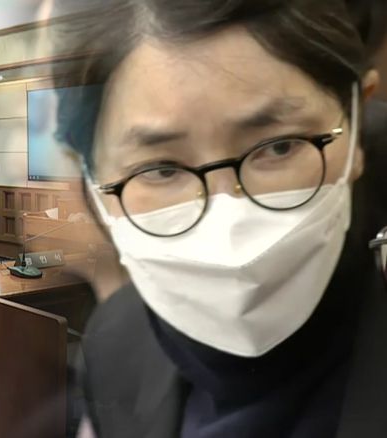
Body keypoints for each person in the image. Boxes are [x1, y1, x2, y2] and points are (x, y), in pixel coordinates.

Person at [49, 0, 387, 436]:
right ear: (94, 183)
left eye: (279, 146)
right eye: (161, 169)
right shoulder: (114, 343)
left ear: (357, 125)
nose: (229, 223)